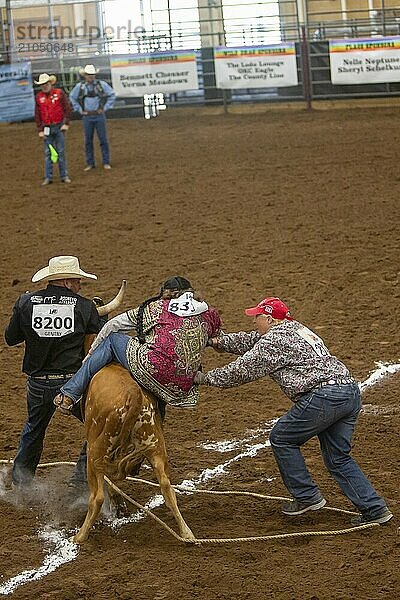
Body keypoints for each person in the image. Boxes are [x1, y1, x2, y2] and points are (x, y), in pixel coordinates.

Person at [194, 296, 393, 526]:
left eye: (256, 317)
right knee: (338, 458)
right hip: (349, 393)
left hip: (323, 397)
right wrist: (217, 342)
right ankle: (375, 508)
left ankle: (306, 496)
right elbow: (250, 341)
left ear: (268, 318)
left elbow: (242, 370)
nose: (253, 321)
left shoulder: (274, 341)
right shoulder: (296, 329)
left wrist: (205, 378)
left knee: (282, 438)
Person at [54, 277, 221, 420]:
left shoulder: (154, 308)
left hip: (152, 368)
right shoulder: (210, 314)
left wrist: (91, 353)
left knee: (112, 340)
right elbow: (219, 341)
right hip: (183, 382)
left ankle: (70, 394)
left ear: (165, 294)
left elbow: (113, 325)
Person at [4, 256, 101, 490]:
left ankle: (20, 482)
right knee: (97, 428)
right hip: (72, 385)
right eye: (77, 281)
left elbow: (11, 338)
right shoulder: (85, 306)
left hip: (37, 383)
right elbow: (93, 343)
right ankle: (79, 481)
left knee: (34, 429)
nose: (79, 286)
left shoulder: (25, 302)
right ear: (67, 282)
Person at [69, 64, 116, 171]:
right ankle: (91, 163)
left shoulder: (101, 84)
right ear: (85, 75)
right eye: (88, 75)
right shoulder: (81, 86)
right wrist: (80, 110)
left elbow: (112, 94)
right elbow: (72, 97)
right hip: (88, 116)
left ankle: (105, 162)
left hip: (98, 115)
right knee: (88, 141)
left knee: (103, 139)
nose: (90, 77)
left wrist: (105, 108)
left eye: (92, 75)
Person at [34, 73, 71, 185]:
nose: (45, 86)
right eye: (43, 84)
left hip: (59, 126)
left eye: (46, 83)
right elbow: (37, 114)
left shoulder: (59, 93)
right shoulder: (38, 97)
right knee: (48, 153)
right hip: (47, 127)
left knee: (60, 152)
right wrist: (40, 130)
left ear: (50, 83)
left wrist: (66, 123)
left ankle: (63, 175)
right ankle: (49, 177)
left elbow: (67, 108)